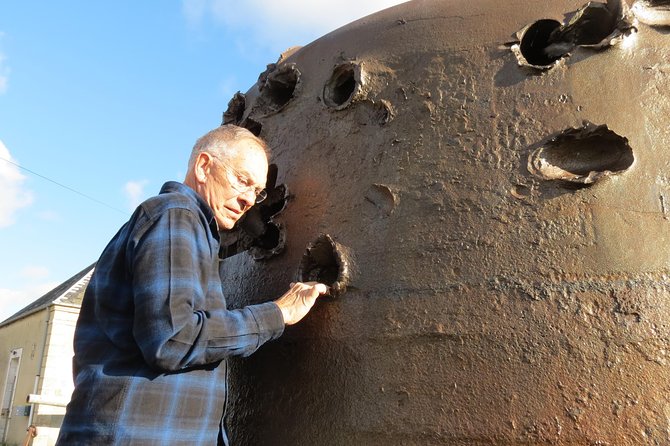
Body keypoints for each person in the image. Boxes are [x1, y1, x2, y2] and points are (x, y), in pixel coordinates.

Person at [55, 125, 327, 446]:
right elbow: (172, 337)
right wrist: (278, 314)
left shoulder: (192, 230)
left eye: (257, 191)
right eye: (242, 180)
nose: (248, 201)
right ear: (203, 166)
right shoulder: (174, 215)